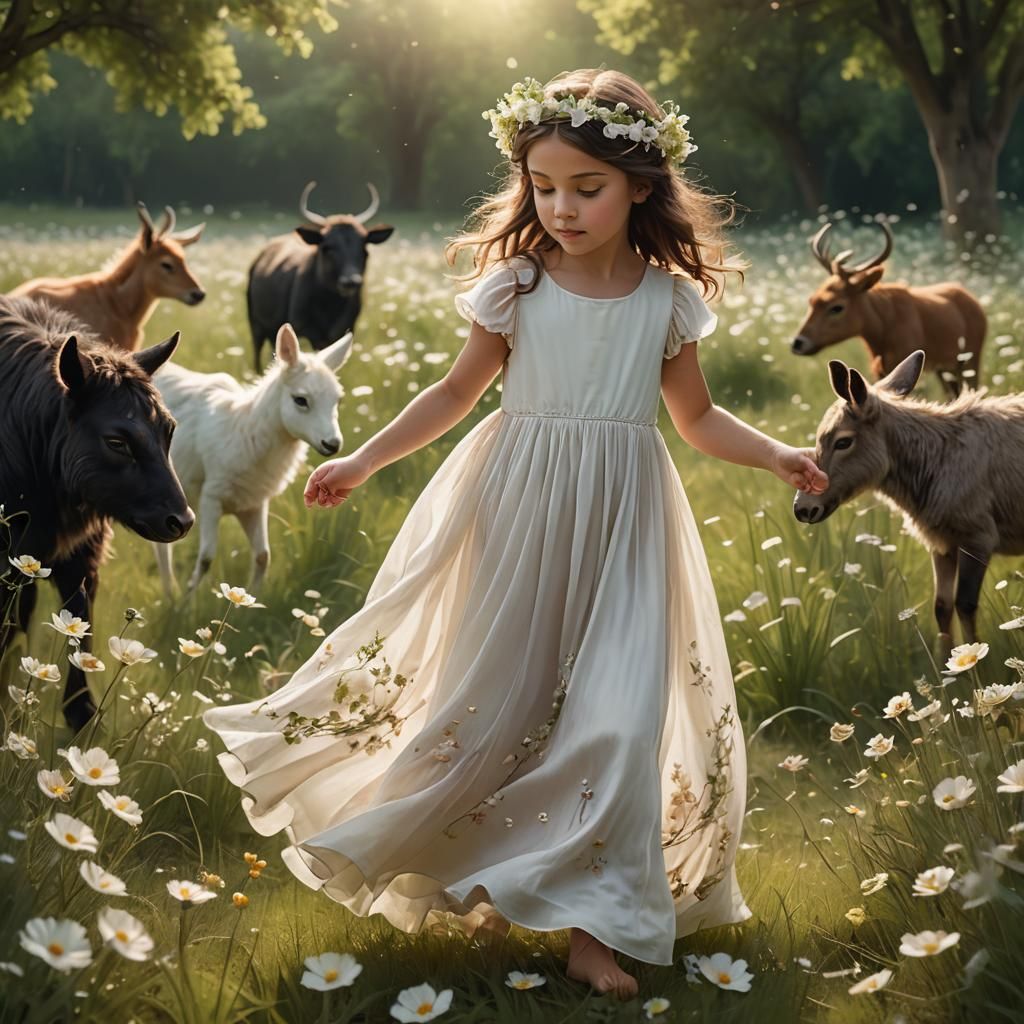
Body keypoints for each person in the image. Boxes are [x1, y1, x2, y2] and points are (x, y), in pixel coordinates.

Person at [203, 68, 828, 1001]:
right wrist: (363, 459)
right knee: (503, 706)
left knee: (617, 723)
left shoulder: (666, 299)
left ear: (642, 187)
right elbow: (455, 394)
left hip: (624, 518)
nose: (562, 207)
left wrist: (778, 453)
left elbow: (695, 419)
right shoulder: (518, 285)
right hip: (519, 509)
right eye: (544, 187)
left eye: (588, 188)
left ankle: (595, 931)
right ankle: (496, 870)